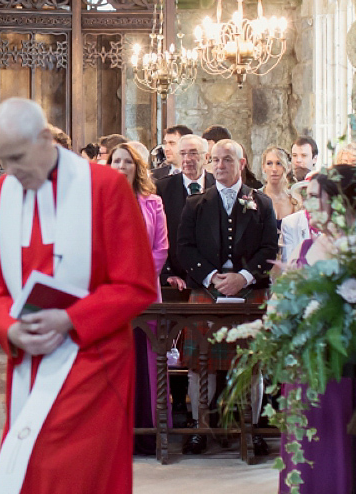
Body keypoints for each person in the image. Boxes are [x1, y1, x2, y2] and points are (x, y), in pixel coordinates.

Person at [0, 98, 157, 494]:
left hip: (95, 363)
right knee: (30, 471)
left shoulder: (106, 187)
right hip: (30, 361)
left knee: (78, 475)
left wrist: (70, 319)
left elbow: (137, 284)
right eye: (3, 160)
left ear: (46, 138)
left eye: (18, 158)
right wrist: (9, 329)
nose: (11, 172)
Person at [280, 164, 356, 494]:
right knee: (312, 460)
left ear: (338, 201)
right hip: (310, 372)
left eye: (316, 197)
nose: (308, 204)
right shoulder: (304, 248)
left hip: (354, 376)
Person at [177, 139, 279, 455]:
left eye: (227, 160)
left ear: (241, 163)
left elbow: (269, 249)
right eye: (216, 160)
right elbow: (185, 248)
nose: (220, 166)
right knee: (199, 365)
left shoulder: (261, 203)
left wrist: (243, 277)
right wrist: (211, 277)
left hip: (250, 290)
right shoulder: (195, 203)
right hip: (207, 289)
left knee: (253, 363)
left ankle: (251, 428)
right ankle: (199, 426)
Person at [108, 141, 168, 455]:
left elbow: (160, 249)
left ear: (136, 167)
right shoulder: (97, 202)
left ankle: (148, 434)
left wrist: (138, 280)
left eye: (127, 162)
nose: (121, 166)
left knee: (146, 362)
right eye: (116, 161)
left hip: (145, 292)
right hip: (111, 293)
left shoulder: (153, 203)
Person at [155, 134, 214, 290]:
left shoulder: (217, 187)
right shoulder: (162, 189)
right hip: (174, 281)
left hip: (212, 279)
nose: (187, 158)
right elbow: (156, 236)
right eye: (182, 153)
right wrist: (166, 274)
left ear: (206, 157)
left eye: (193, 153)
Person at [261, 146, 301, 220]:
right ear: (263, 167)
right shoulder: (254, 198)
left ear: (288, 167)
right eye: (269, 163)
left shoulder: (296, 201)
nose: (274, 169)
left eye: (279, 163)